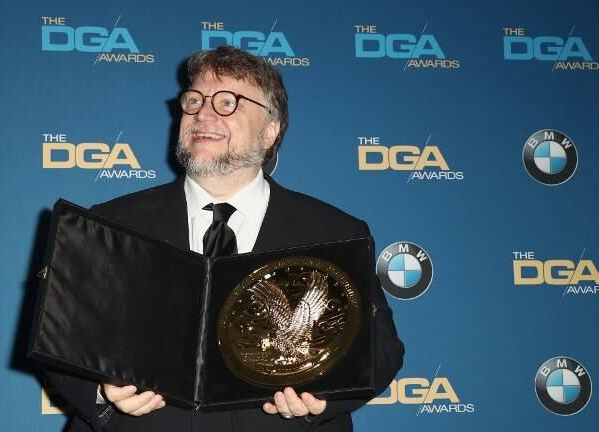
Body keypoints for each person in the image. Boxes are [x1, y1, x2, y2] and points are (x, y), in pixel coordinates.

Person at [45, 45, 404, 432]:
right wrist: (101, 392)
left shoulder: (336, 233)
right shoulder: (109, 224)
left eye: (227, 102)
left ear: (270, 129)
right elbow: (60, 342)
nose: (202, 114)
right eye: (194, 100)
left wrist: (324, 397)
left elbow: (381, 350)